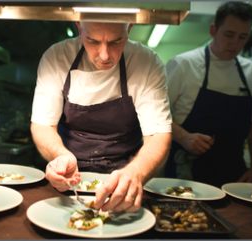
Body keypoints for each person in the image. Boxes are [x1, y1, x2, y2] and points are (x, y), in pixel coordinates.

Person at [30, 22, 172, 212]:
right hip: (69, 178)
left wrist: (136, 172)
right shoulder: (57, 56)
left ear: (129, 29)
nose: (104, 55)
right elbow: (43, 125)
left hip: (124, 176)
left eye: (116, 41)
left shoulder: (146, 62)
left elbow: (158, 135)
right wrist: (60, 156)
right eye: (93, 41)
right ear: (79, 27)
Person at [164, 1, 252, 187]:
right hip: (185, 172)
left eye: (243, 37)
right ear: (213, 30)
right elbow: (155, 115)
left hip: (234, 174)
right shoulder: (184, 64)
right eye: (229, 35)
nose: (235, 43)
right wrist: (185, 137)